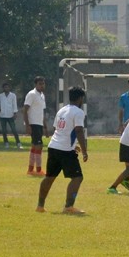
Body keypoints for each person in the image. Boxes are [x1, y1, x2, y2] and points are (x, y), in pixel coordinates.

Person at [36, 86, 88, 215]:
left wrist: (72, 145)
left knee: (49, 177)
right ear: (81, 98)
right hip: (64, 150)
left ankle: (40, 206)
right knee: (77, 177)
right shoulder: (78, 112)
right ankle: (68, 207)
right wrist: (84, 150)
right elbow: (79, 130)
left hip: (54, 146)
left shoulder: (62, 110)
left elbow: (58, 130)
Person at [23, 76, 49, 176]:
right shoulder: (32, 94)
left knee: (35, 145)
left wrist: (45, 127)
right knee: (39, 145)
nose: (42, 85)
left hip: (39, 123)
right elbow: (25, 109)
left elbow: (42, 112)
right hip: (33, 123)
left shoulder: (42, 95)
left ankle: (31, 170)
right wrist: (27, 125)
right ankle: (38, 170)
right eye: (40, 84)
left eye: (43, 83)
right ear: (36, 84)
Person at [0, 82, 22, 149]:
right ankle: (6, 143)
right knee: (4, 131)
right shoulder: (1, 95)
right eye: (5, 87)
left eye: (7, 87)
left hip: (10, 115)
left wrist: (15, 113)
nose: (6, 88)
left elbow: (14, 104)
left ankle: (18, 143)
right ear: (3, 88)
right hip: (3, 116)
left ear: (9, 88)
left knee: (14, 130)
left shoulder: (13, 95)